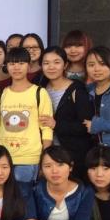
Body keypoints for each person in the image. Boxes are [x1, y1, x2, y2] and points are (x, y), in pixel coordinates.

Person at [0, 47, 53, 194]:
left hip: (30, 158)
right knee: (5, 198)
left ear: (29, 66)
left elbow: (46, 128)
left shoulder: (39, 93)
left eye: (21, 63)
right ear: (6, 66)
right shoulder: (0, 94)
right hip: (4, 158)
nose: (16, 67)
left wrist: (45, 158)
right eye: (12, 63)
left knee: (24, 198)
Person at [39, 46, 93, 181]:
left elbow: (85, 126)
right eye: (46, 63)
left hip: (71, 154)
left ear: (65, 65)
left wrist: (56, 125)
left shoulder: (77, 90)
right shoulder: (39, 87)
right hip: (45, 152)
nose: (51, 67)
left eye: (56, 62)